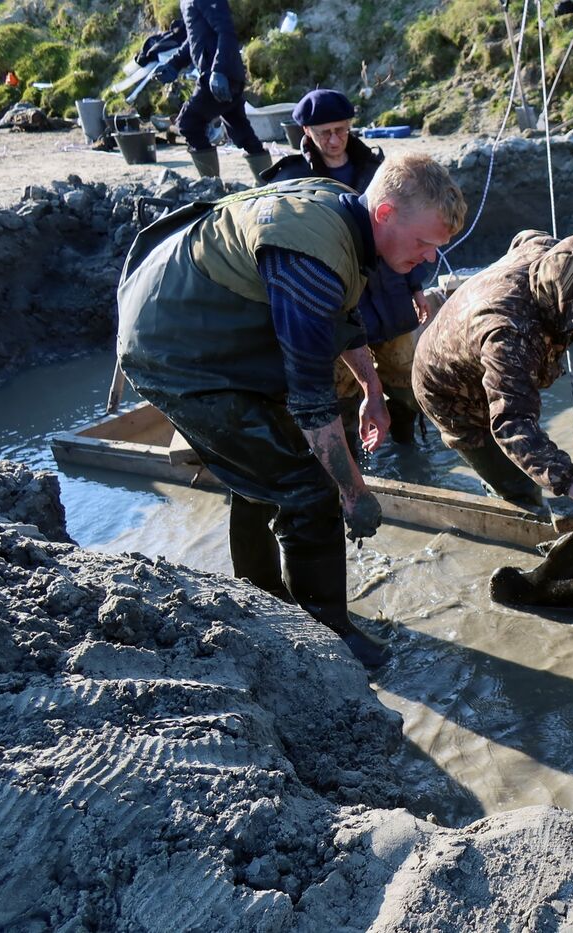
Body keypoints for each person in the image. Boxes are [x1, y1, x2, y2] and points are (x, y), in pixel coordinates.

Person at [117, 153, 467, 668]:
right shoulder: (312, 252)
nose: (429, 260)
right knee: (308, 484)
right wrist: (353, 490)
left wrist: (371, 386)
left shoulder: (347, 222)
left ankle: (260, 596)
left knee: (265, 470)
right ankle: (328, 634)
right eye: (424, 244)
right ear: (386, 214)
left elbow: (339, 316)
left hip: (209, 325)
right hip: (175, 349)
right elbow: (309, 398)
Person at [412, 230, 573, 528]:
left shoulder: (548, 252)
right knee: (518, 489)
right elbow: (510, 423)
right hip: (446, 389)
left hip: (469, 340)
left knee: (527, 448)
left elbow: (524, 237)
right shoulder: (510, 336)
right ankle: (502, 512)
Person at [263, 88, 435, 444]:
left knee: (405, 375)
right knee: (342, 389)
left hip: (387, 293)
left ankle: (407, 442)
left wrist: (416, 286)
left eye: (341, 129)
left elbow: (409, 229)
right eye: (324, 132)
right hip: (334, 299)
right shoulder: (291, 180)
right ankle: (355, 454)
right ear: (306, 133)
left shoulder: (379, 171)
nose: (334, 139)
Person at [153, 0, 272, 182]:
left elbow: (226, 30)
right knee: (241, 130)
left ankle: (211, 187)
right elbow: (195, 36)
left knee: (188, 123)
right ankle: (271, 183)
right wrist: (174, 64)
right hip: (225, 75)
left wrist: (219, 70)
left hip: (218, 76)